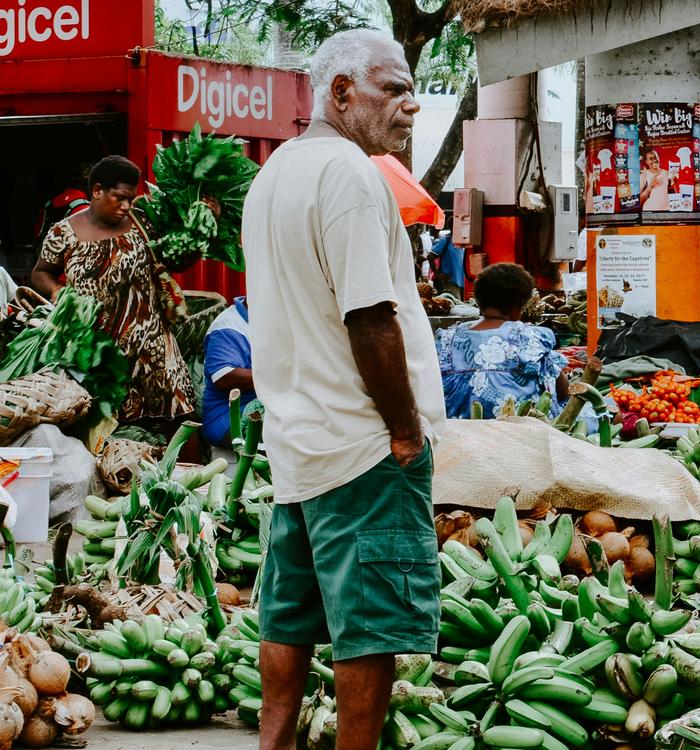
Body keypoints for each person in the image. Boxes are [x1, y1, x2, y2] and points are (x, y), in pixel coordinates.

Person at [241, 30, 446, 750]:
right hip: (361, 444)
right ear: (341, 93)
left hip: (298, 439)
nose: (411, 105)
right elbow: (369, 314)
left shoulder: (272, 176)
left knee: (289, 612)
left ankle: (275, 743)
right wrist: (405, 429)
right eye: (393, 89)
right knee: (370, 626)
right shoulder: (352, 176)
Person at [31, 155, 195, 426]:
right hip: (97, 349)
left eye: (130, 198)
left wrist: (203, 225)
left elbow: (176, 260)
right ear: (97, 191)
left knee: (178, 413)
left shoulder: (143, 223)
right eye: (119, 197)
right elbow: (40, 272)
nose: (126, 206)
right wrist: (57, 291)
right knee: (105, 422)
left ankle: (184, 466)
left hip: (151, 344)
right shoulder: (64, 233)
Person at [436, 263, 568, 419]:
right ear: (519, 305)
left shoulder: (447, 339)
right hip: (519, 434)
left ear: (478, 300)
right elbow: (563, 389)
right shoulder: (529, 337)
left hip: (459, 432)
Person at [203, 296, 254, 448]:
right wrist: (283, 374)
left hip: (267, 409)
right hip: (228, 419)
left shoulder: (272, 319)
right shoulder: (228, 326)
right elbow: (224, 377)